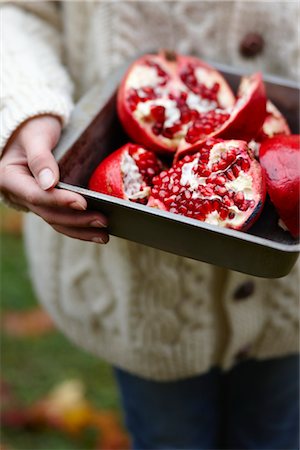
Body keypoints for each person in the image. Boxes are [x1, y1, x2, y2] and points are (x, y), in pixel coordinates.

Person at [1, 2, 299, 449]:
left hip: (290, 305)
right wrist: (25, 103)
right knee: (169, 435)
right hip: (147, 305)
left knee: (278, 432)